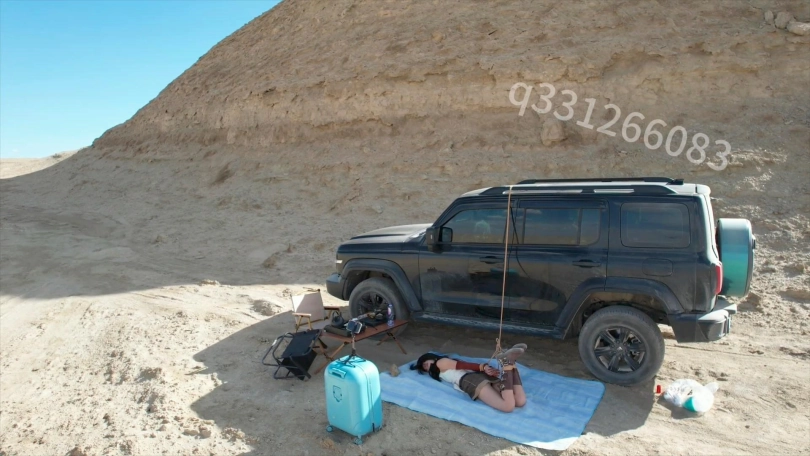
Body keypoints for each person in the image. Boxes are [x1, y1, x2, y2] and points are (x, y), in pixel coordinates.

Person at [409, 344, 528, 413]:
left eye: (425, 363)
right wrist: (485, 369)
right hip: (477, 376)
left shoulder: (440, 362)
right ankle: (511, 363)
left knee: (507, 406)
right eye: (424, 368)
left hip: (470, 380)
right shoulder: (440, 366)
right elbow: (464, 366)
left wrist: (483, 367)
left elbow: (463, 365)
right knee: (520, 401)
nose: (426, 367)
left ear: (431, 357)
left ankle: (507, 365)